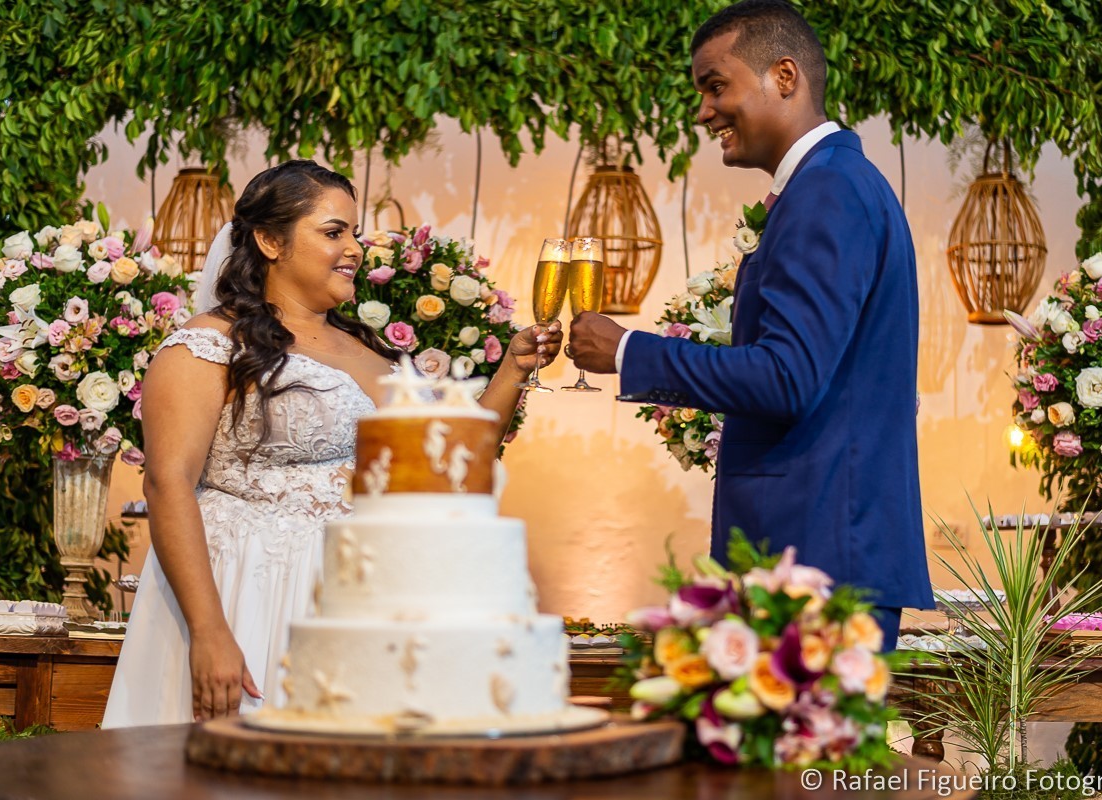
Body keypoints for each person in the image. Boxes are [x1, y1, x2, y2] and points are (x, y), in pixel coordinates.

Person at [103, 160, 562, 726]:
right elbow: (167, 483)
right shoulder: (206, 346)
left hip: (356, 595)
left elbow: (446, 464)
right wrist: (210, 630)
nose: (354, 249)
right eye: (333, 231)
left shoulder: (372, 352)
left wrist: (512, 372)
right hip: (247, 586)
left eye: (355, 233)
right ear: (270, 240)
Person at [566, 0, 932, 650]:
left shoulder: (828, 191)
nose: (704, 111)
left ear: (784, 77)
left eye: (715, 86)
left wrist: (629, 352)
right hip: (824, 547)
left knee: (804, 758)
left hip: (817, 556)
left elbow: (787, 378)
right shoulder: (837, 182)